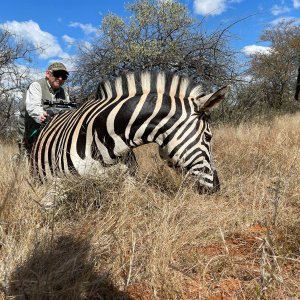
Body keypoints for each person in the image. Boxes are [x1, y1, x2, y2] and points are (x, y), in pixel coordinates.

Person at [18, 62, 71, 155]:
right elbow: (33, 107)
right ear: (47, 74)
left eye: (64, 76)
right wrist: (42, 115)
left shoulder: (64, 93)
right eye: (57, 74)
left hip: (52, 131)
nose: (60, 78)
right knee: (27, 156)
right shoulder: (36, 85)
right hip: (31, 130)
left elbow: (69, 109)